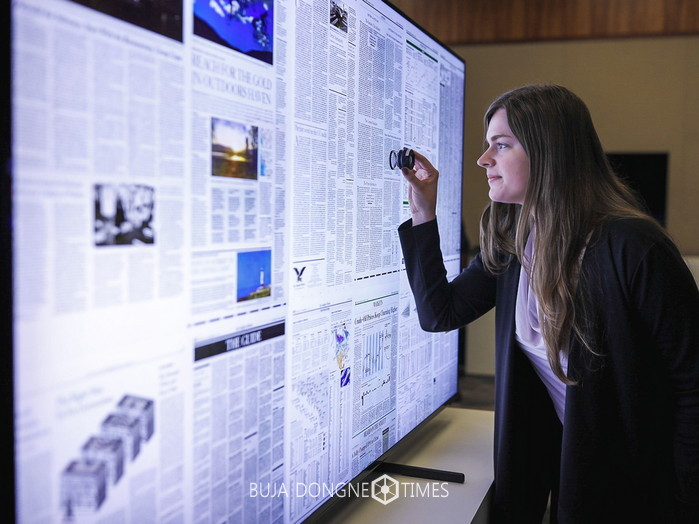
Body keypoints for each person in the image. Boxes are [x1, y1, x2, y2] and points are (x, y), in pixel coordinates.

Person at [398, 84, 699, 523]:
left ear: (548, 152)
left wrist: (685, 504)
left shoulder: (635, 246)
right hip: (574, 474)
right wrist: (423, 210)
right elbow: (439, 312)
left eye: (501, 145)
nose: (484, 159)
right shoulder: (513, 242)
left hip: (644, 492)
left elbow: (693, 386)